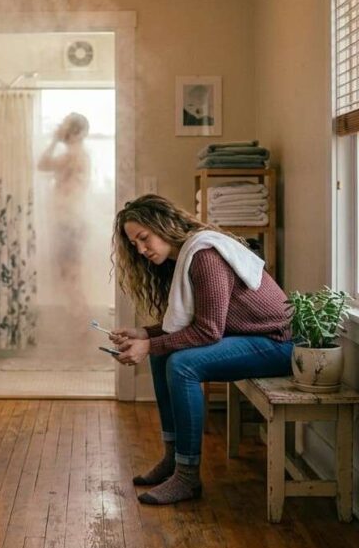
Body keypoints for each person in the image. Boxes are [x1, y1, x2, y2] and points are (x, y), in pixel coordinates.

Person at [109, 194, 292, 505]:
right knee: (162, 354)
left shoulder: (205, 256)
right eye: (134, 243)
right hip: (251, 338)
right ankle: (173, 457)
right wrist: (144, 334)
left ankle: (187, 476)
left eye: (144, 238)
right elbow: (190, 324)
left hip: (277, 343)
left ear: (163, 226)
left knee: (181, 365)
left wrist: (148, 344)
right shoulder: (187, 256)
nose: (141, 249)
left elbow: (208, 331)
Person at [37, 112, 91, 313]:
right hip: (70, 222)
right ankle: (80, 327)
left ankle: (83, 328)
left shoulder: (73, 155)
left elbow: (42, 164)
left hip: (70, 223)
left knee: (71, 277)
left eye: (64, 125)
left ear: (74, 132)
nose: (60, 128)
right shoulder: (76, 154)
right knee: (69, 276)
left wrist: (53, 140)